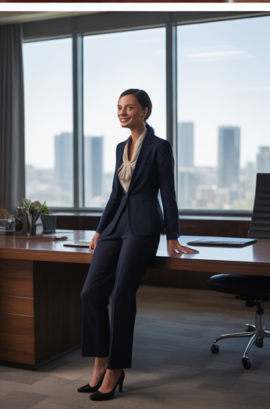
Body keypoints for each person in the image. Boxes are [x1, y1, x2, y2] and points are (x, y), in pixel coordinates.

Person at [79, 88, 198, 400]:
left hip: (144, 227)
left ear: (145, 111)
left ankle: (116, 370)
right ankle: (100, 362)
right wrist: (99, 230)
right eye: (119, 107)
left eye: (129, 107)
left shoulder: (159, 146)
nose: (122, 112)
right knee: (90, 292)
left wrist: (172, 235)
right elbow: (116, 194)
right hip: (115, 226)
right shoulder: (121, 146)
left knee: (121, 294)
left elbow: (168, 193)